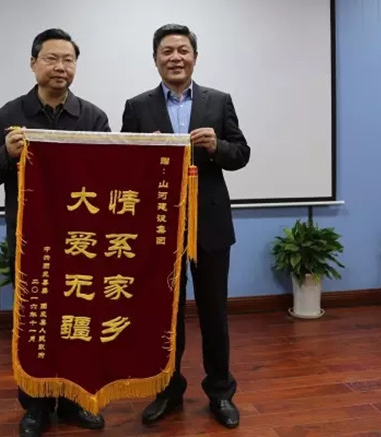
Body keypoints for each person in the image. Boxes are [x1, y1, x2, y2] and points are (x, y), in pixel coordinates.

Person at [0, 28, 109, 437]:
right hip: (30, 238)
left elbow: (109, 176)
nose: (60, 67)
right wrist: (7, 154)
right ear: (33, 63)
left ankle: (72, 402)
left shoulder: (93, 117)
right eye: (51, 58)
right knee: (34, 322)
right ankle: (35, 406)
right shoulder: (9, 114)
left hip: (79, 240)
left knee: (76, 319)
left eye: (68, 60)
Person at [121, 24, 251, 429]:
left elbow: (241, 154)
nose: (175, 57)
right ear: (155, 59)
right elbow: (123, 165)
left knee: (214, 313)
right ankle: (167, 390)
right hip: (160, 228)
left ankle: (220, 392)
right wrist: (145, 153)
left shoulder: (219, 101)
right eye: (167, 51)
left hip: (209, 225)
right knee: (163, 316)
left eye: (182, 50)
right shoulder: (137, 106)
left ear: (195, 57)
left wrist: (217, 146)